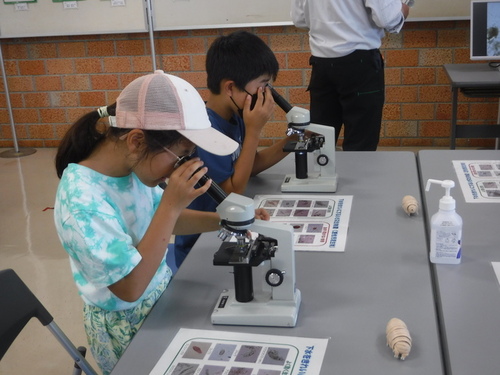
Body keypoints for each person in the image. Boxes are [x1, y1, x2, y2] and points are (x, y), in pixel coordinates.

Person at [53, 70, 269, 374]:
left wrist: (225, 220)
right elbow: (129, 288)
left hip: (161, 297)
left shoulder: (135, 169)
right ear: (137, 141)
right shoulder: (81, 200)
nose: (184, 167)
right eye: (181, 156)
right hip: (125, 327)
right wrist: (171, 204)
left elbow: (166, 221)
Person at [174, 30, 296, 267]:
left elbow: (249, 165)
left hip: (226, 229)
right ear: (230, 88)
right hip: (201, 246)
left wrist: (293, 138)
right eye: (261, 86)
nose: (266, 94)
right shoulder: (204, 131)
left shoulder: (234, 116)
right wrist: (254, 130)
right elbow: (232, 190)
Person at [291, 0, 411, 151]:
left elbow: (299, 18)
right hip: (360, 64)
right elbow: (387, 19)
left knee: (320, 139)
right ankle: (358, 174)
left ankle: (319, 174)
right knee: (361, 142)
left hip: (322, 63)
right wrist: (403, 10)